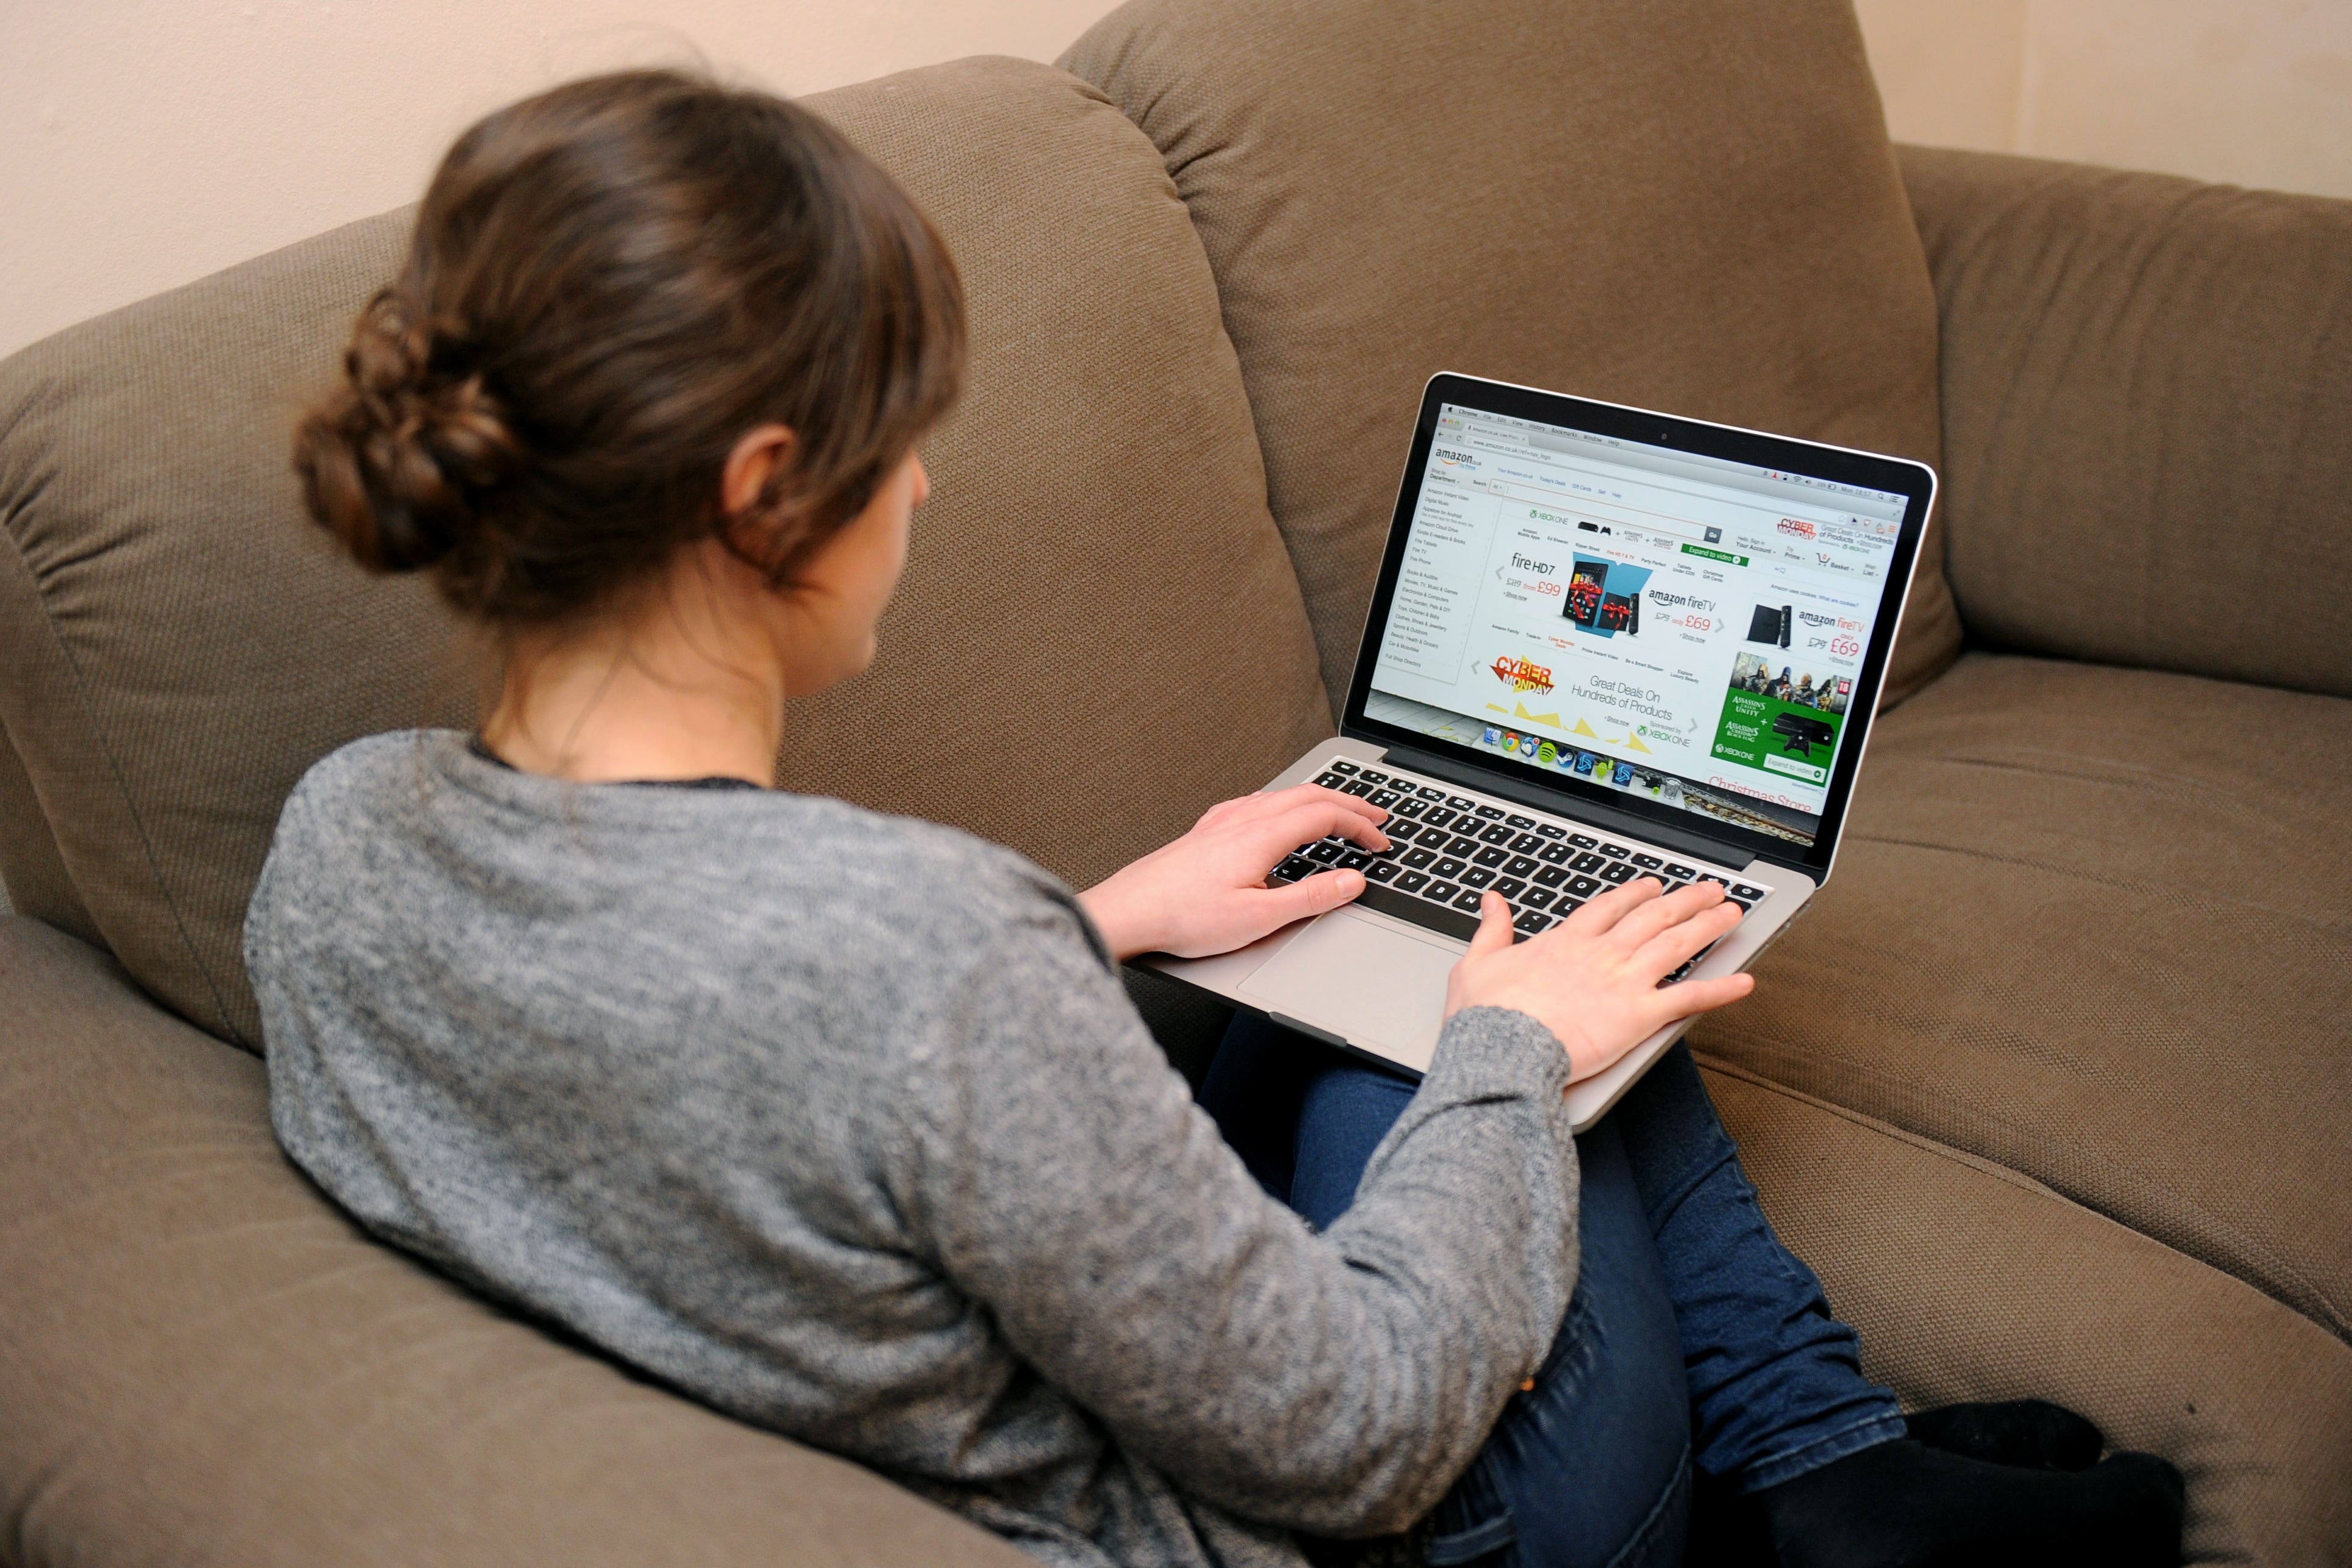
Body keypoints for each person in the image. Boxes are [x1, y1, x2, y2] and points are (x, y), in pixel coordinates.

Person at [246, 70, 2185, 1568]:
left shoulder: (336, 850)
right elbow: (1372, 1424)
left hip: (1032, 1330)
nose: (920, 487)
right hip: (1398, 1516)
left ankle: (1824, 1461)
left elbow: (709, 1045)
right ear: (766, 492)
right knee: (1530, 982)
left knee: (1408, 908)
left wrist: (1117, 917)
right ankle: (1812, 1468)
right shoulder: (930, 964)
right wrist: (1505, 1059)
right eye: (900, 430)